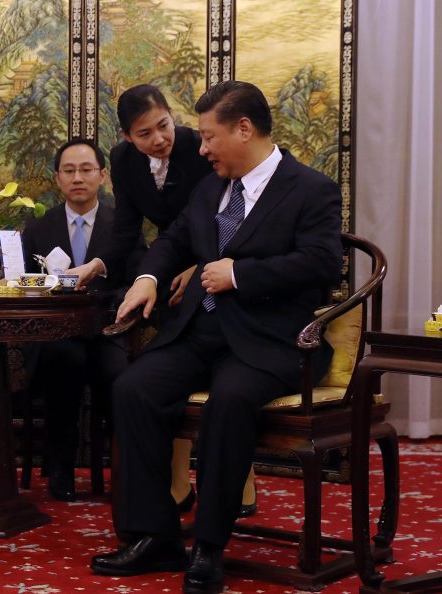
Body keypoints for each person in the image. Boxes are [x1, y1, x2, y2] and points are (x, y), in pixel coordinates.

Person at [90, 81, 342, 594]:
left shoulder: (310, 188)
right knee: (133, 388)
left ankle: (209, 547)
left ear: (243, 129)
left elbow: (321, 263)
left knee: (229, 400)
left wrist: (241, 274)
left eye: (208, 137)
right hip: (201, 333)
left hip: (272, 342)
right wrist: (147, 279)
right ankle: (154, 535)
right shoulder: (210, 187)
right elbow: (174, 241)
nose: (199, 148)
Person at [95, 84, 257, 516]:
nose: (159, 139)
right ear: (128, 138)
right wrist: (103, 264)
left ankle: (239, 487)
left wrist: (199, 265)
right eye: (145, 133)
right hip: (169, 268)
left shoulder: (201, 151)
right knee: (168, 382)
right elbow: (130, 229)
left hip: (215, 269)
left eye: (163, 125)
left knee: (227, 383)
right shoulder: (125, 159)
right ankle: (177, 487)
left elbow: (228, 221)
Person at [21, 138, 124, 501]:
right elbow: (24, 285)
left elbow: (136, 274)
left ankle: (124, 473)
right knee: (63, 360)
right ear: (57, 178)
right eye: (69, 171)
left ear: (103, 176)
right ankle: (60, 467)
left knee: (121, 375)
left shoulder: (122, 226)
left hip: (107, 332)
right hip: (54, 335)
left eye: (86, 170)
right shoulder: (37, 228)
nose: (77, 178)